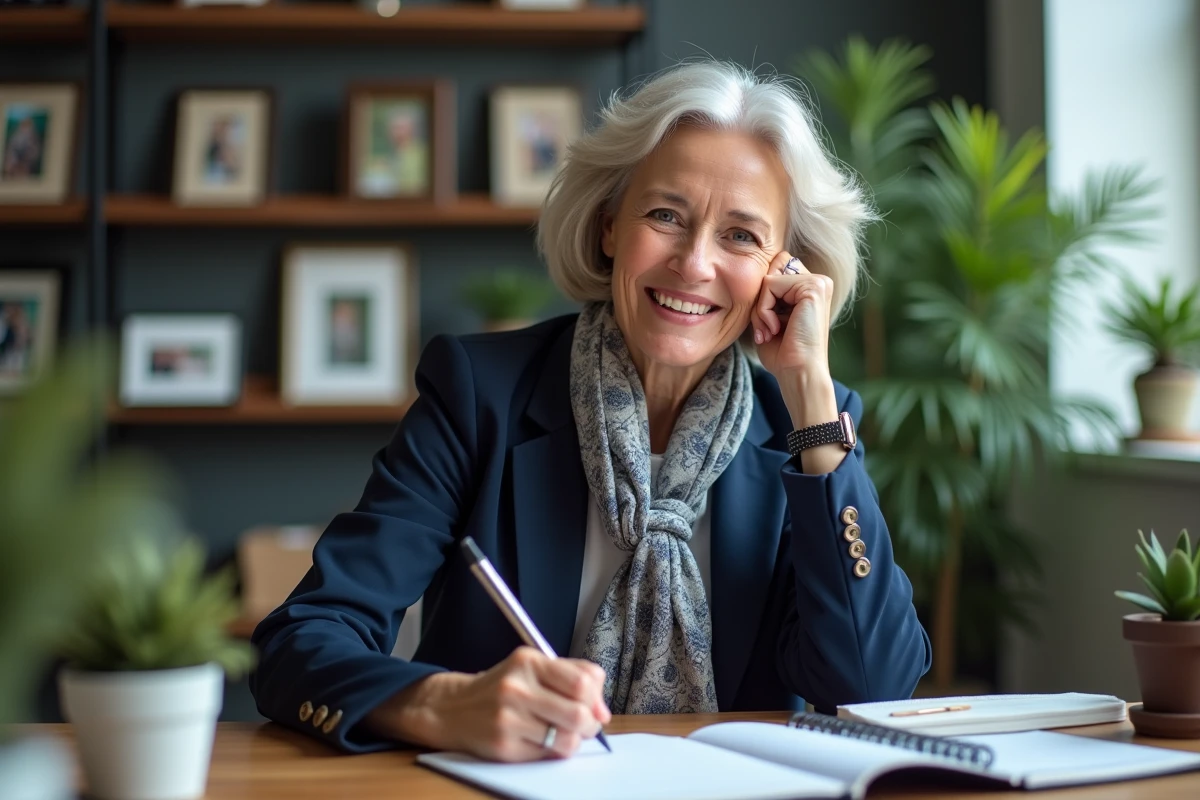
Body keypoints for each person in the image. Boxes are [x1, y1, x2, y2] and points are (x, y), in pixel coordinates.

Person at [250, 60, 931, 762]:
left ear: (783, 271)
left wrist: (811, 393)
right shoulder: (479, 395)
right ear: (610, 227)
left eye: (740, 236)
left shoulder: (809, 430)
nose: (695, 263)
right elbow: (302, 641)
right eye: (666, 215)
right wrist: (444, 704)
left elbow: (870, 688)